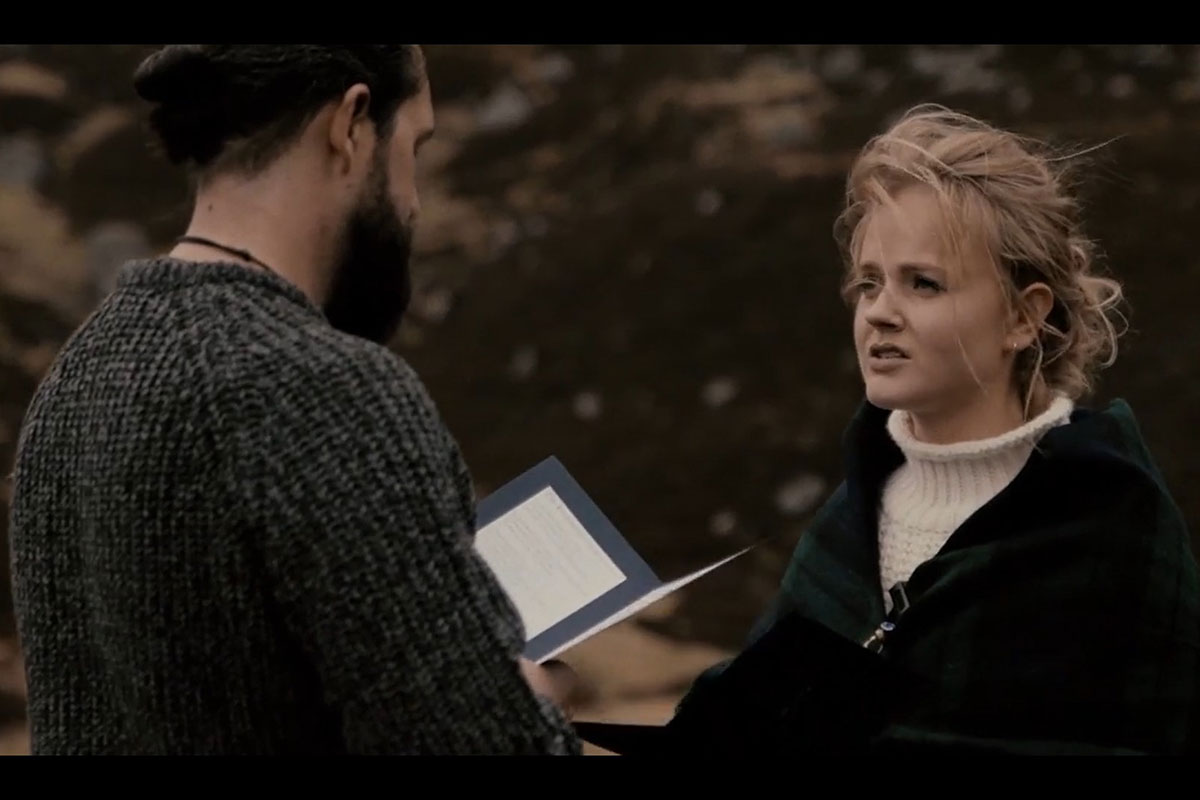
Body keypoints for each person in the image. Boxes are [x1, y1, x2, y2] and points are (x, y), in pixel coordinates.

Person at [8, 44, 580, 755]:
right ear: (351, 124)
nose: (414, 199)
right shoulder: (327, 386)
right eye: (414, 148)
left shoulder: (76, 378)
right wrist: (533, 696)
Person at [665, 105, 1200, 755]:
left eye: (923, 284)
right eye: (869, 285)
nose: (880, 313)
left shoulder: (1110, 527)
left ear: (1022, 317)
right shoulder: (849, 521)